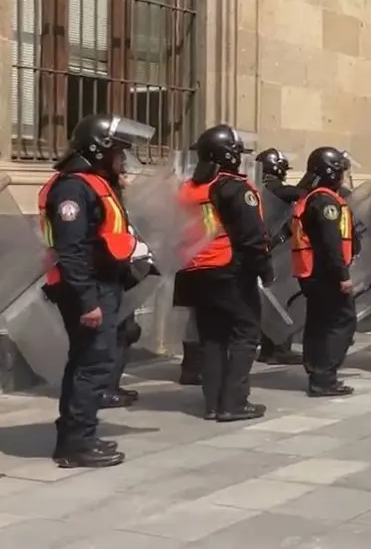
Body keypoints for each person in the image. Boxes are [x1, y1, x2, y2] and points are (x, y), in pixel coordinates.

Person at [38, 113, 155, 468]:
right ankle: (77, 444)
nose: (123, 160)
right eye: (119, 152)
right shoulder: (73, 187)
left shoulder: (92, 183)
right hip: (86, 289)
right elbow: (71, 250)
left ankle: (77, 437)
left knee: (88, 363)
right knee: (92, 365)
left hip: (100, 284)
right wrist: (88, 302)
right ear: (99, 150)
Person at [174, 125, 273, 421]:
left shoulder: (188, 189)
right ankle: (234, 402)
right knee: (245, 335)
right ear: (228, 155)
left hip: (194, 271)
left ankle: (213, 403)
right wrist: (264, 269)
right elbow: (252, 235)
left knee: (212, 338)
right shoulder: (235, 187)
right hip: (229, 271)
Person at [291, 147, 359, 396]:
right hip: (326, 273)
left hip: (311, 272)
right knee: (341, 322)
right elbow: (331, 242)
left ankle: (316, 370)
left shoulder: (310, 197)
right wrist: (343, 275)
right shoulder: (325, 201)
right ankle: (325, 376)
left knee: (318, 323)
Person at [255, 148, 304, 365]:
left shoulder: (254, 188)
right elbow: (301, 194)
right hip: (279, 251)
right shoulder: (278, 190)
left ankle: (268, 349)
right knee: (282, 301)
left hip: (263, 250)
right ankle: (279, 349)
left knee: (270, 302)